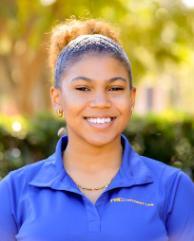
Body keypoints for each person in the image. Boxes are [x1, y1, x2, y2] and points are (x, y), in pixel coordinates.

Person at [0, 19, 194, 241]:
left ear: (131, 97)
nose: (100, 102)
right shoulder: (13, 191)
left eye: (115, 88)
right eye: (83, 88)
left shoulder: (174, 188)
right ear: (57, 98)